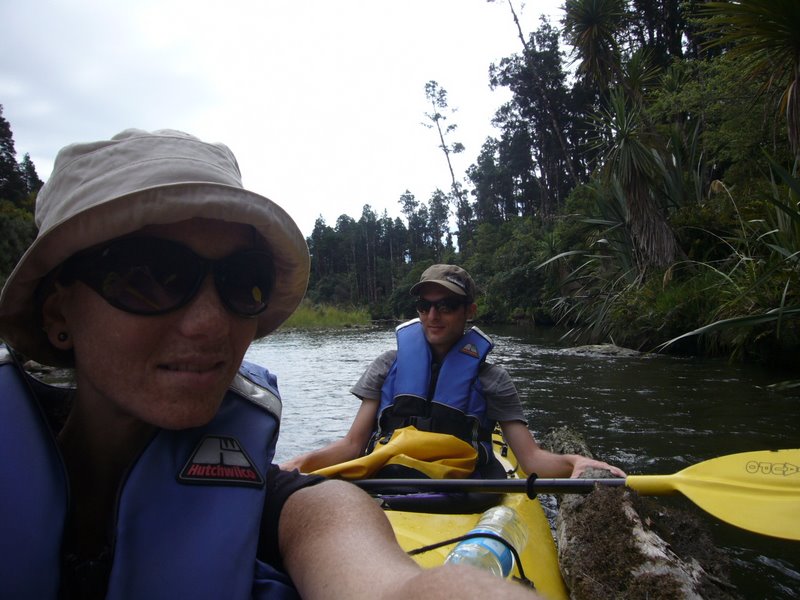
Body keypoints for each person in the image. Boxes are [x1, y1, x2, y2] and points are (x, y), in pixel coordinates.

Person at [0, 129, 542, 599]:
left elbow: (366, 563)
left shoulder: (273, 502)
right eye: (151, 275)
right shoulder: (386, 365)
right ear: (57, 311)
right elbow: (353, 449)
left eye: (243, 279)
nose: (211, 323)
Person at [281, 264, 624, 481]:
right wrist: (303, 462)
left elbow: (531, 460)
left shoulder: (493, 380)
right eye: (425, 306)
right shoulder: (387, 366)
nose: (433, 315)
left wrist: (574, 463)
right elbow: (353, 445)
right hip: (386, 478)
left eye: (446, 305)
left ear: (469, 311)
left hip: (462, 486)